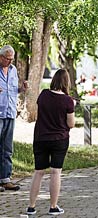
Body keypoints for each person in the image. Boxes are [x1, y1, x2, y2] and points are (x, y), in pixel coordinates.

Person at [26, 69, 75, 215]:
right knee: (55, 172)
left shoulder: (43, 95)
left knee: (38, 172)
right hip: (59, 139)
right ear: (67, 82)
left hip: (41, 138)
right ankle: (53, 207)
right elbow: (71, 123)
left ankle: (31, 206)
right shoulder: (68, 100)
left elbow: (41, 112)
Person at [0, 45, 28, 192]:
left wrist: (22, 89)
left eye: (11, 59)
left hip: (10, 112)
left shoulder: (13, 70)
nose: (10, 62)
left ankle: (5, 179)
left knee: (7, 148)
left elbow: (13, 91)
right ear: (1, 57)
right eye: (7, 59)